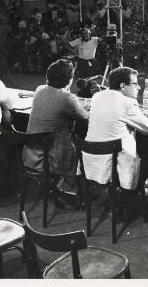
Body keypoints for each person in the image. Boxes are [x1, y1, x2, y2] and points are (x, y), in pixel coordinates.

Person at [84, 67, 148, 212]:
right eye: (135, 84)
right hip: (115, 164)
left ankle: (121, 198)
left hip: (93, 160)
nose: (139, 87)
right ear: (123, 86)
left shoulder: (97, 97)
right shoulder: (128, 103)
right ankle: (131, 201)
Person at [23, 59, 89, 201]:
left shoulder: (39, 89)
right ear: (69, 80)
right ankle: (68, 187)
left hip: (31, 154)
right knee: (77, 141)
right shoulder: (68, 98)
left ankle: (65, 184)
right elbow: (86, 117)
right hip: (51, 157)